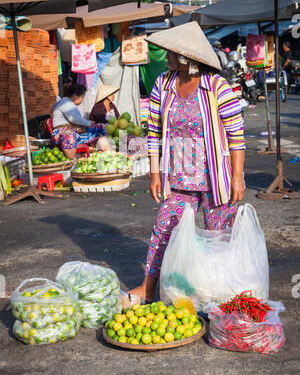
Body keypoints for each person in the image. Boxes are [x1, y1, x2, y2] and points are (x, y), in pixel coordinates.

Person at [128, 21, 246, 303]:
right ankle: (148, 286)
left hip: (216, 175)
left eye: (170, 52)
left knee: (217, 236)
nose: (165, 56)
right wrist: (155, 173)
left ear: (186, 57)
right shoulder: (163, 84)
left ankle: (214, 294)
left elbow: (236, 134)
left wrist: (238, 176)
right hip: (177, 175)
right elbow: (154, 131)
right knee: (164, 227)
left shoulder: (216, 86)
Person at [52, 83, 109, 159]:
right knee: (69, 136)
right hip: (62, 133)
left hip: (74, 132)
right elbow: (74, 118)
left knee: (101, 127)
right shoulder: (65, 102)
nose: (82, 100)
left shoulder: (68, 103)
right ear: (75, 95)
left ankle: (106, 151)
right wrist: (88, 123)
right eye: (82, 97)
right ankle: (72, 159)